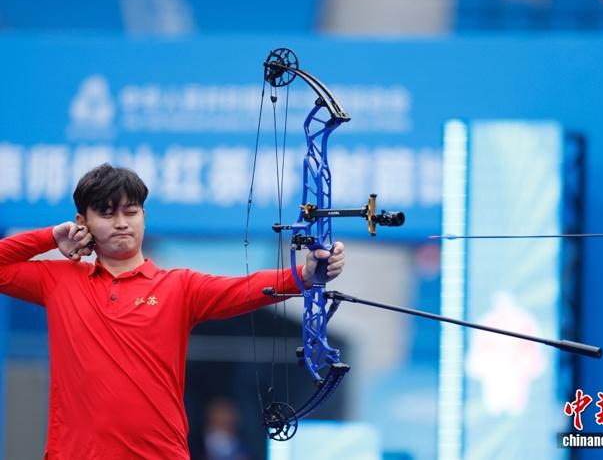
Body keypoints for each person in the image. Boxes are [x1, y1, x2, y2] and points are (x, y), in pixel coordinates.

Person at [0, 163, 345, 459]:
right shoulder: (59, 281)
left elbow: (246, 287)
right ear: (82, 221)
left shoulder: (178, 286)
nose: (121, 223)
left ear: (143, 216)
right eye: (106, 213)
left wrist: (304, 275)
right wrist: (50, 237)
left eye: (131, 212)